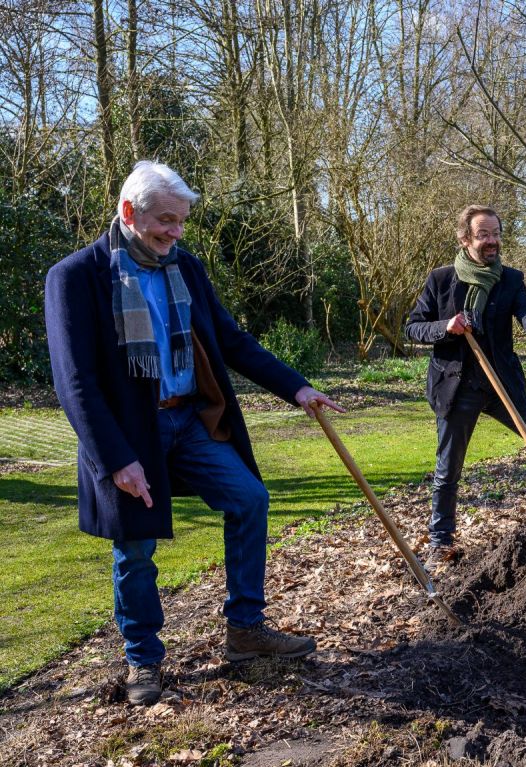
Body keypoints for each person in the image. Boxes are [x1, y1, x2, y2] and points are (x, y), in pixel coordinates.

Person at [45, 161, 343, 706]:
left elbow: (232, 340)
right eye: (166, 221)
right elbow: (75, 384)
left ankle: (245, 630)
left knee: (250, 498)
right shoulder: (76, 277)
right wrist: (115, 459)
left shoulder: (185, 267)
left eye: (181, 222)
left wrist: (296, 388)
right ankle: (143, 660)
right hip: (128, 436)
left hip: (190, 420)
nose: (175, 233)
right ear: (129, 212)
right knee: (135, 548)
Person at [406, 205, 526, 566]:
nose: (492, 241)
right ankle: (440, 541)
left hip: (502, 386)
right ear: (465, 239)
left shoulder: (510, 279)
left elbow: (525, 310)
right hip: (458, 389)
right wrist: (446, 327)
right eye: (483, 235)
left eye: (495, 234)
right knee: (449, 468)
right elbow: (413, 327)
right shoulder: (441, 280)